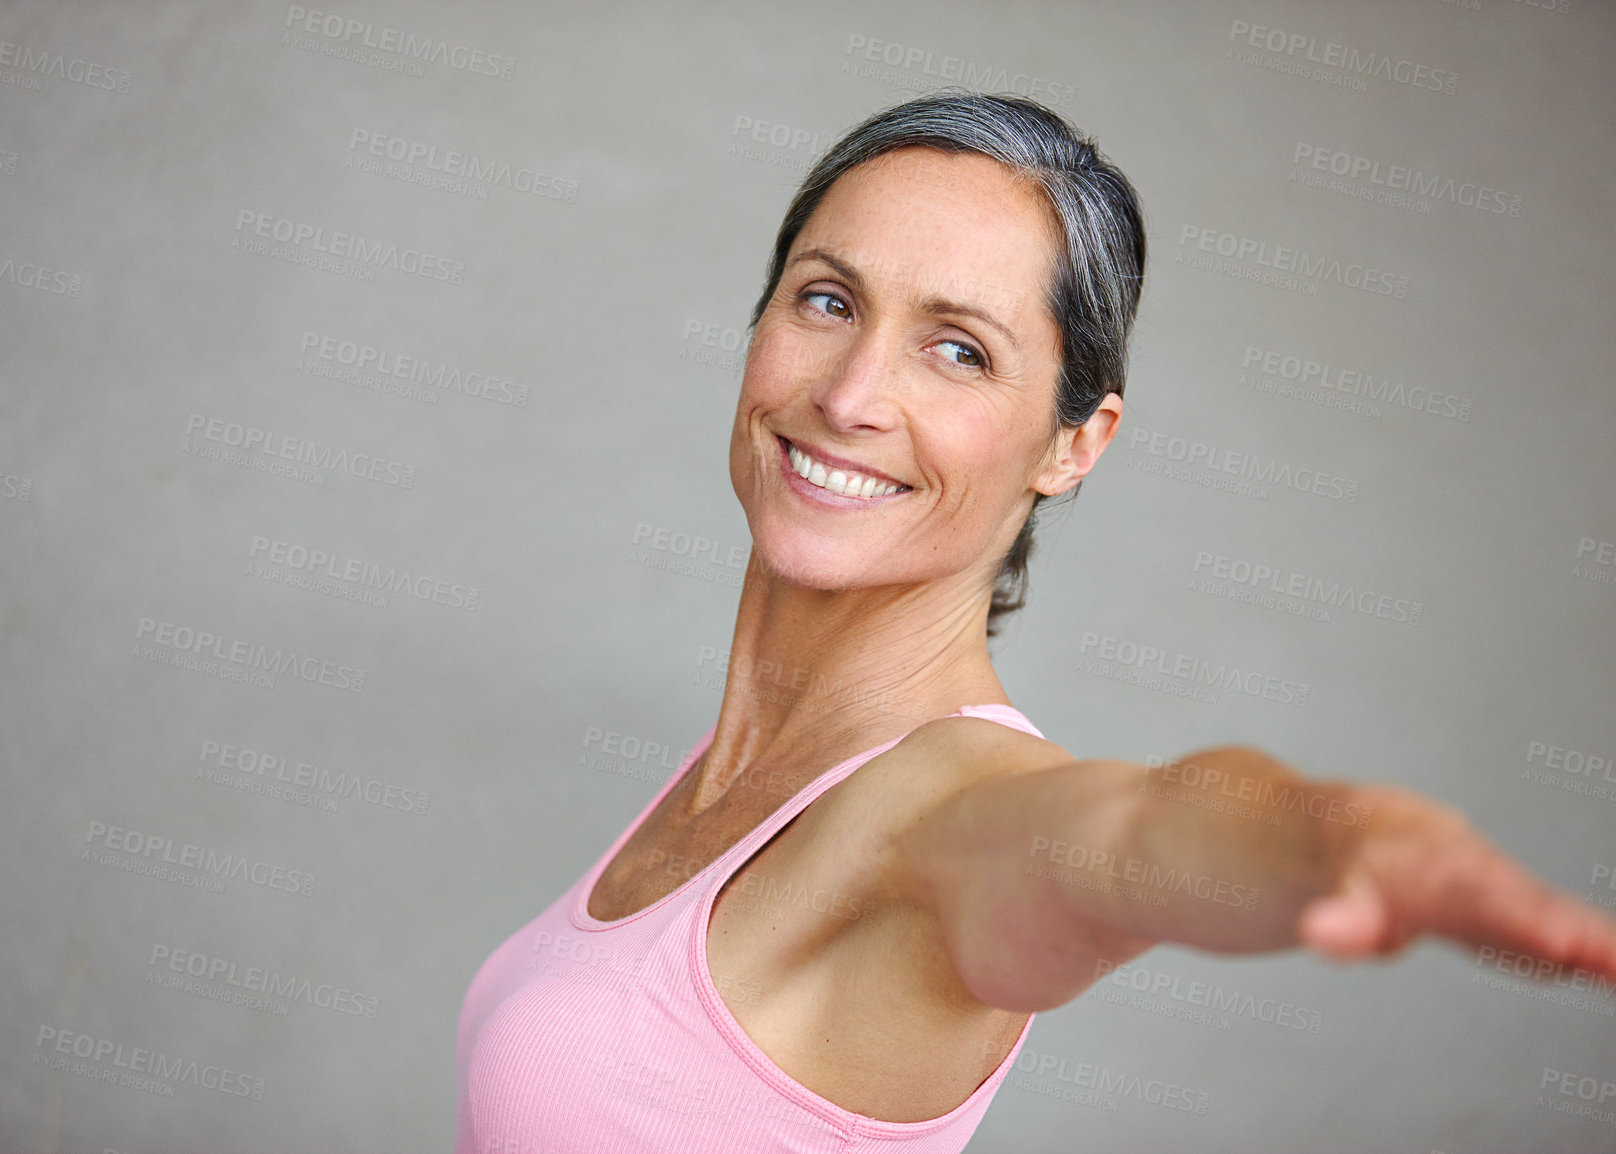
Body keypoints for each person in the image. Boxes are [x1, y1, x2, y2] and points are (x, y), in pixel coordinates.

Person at [455, 90, 1616, 1152]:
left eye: (958, 350)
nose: (852, 395)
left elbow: (1118, 838)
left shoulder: (942, 800)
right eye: (827, 299)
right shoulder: (735, 768)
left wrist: (1326, 836)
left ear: (1075, 443)